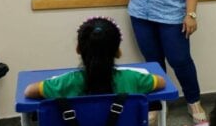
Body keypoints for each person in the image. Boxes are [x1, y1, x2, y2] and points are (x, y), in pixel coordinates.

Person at [24, 16, 166, 98]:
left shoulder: (67, 82)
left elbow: (29, 91)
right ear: (118, 51)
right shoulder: (132, 78)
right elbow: (161, 82)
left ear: (78, 49)